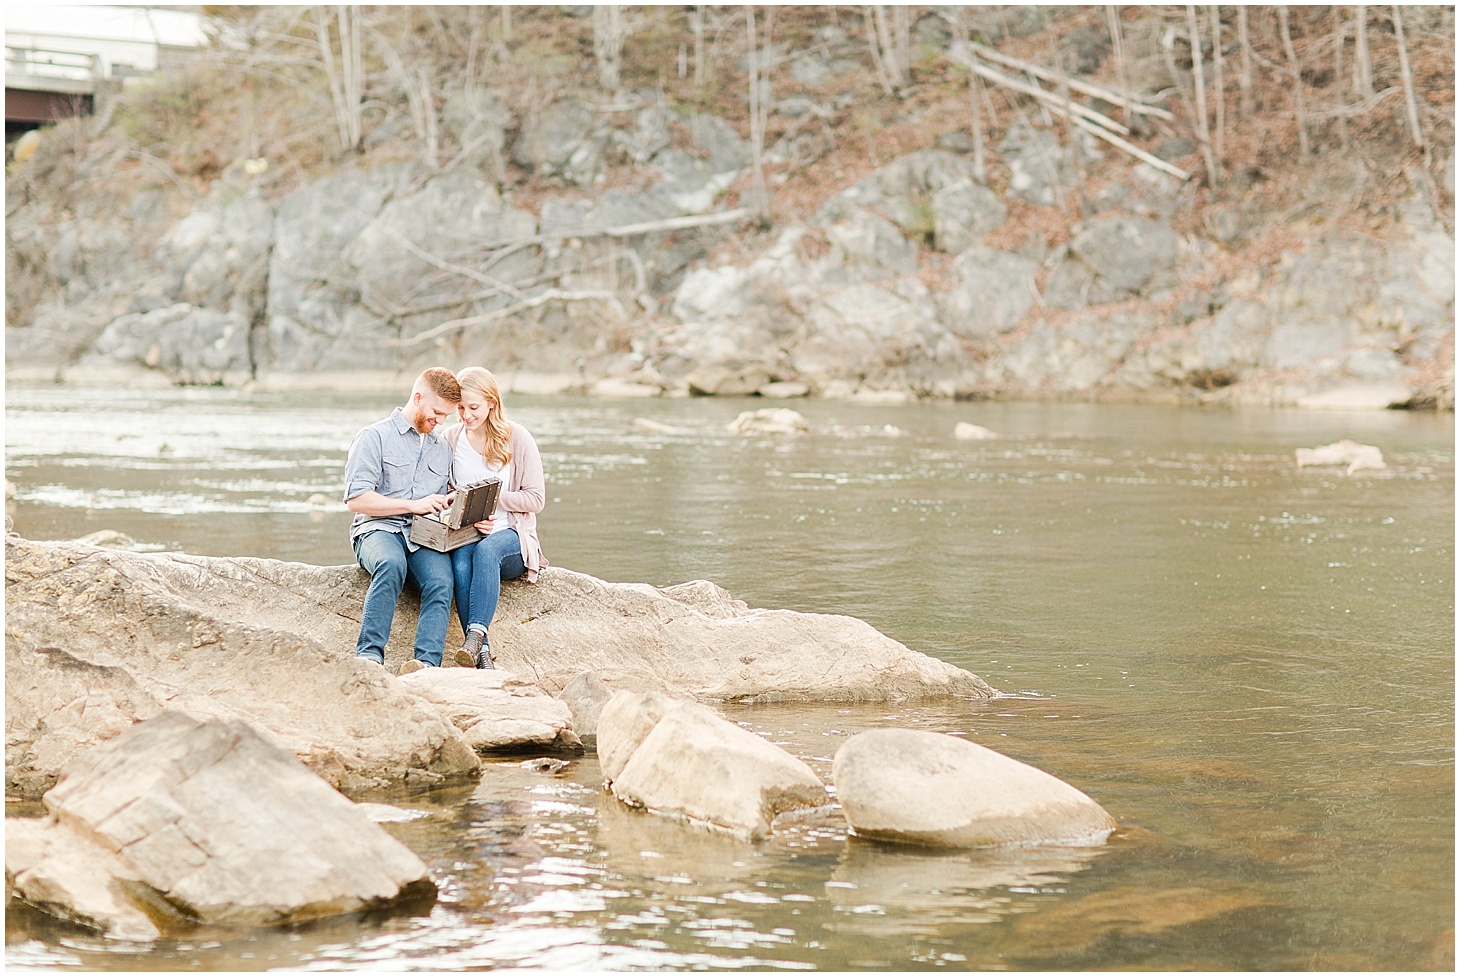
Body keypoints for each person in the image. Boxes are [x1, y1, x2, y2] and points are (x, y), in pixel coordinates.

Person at [343, 368, 461, 674]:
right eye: (436, 412)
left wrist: (451, 504)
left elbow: (437, 503)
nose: (440, 421)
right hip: (375, 530)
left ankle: (425, 666)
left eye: (446, 416)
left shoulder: (442, 448)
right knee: (391, 564)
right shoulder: (374, 437)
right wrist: (413, 505)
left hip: (422, 536)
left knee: (441, 581)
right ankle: (369, 657)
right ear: (417, 398)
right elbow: (356, 500)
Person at [445, 366, 547, 669]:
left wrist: (488, 499)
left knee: (486, 551)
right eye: (460, 408)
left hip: (510, 537)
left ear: (492, 402)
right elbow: (445, 495)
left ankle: (475, 636)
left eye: (473, 407)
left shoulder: (517, 437)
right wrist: (466, 510)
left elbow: (536, 499)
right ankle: (482, 652)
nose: (466, 415)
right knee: (462, 561)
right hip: (467, 532)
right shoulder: (450, 439)